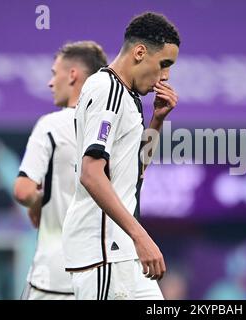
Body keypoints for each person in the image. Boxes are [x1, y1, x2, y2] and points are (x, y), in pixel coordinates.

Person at [62, 12, 180, 300]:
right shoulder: (108, 90)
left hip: (120, 252)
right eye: (164, 64)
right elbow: (91, 173)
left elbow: (135, 170)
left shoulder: (127, 97)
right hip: (104, 252)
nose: (165, 76)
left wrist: (157, 121)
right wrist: (140, 236)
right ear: (140, 52)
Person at [13, 41, 108, 300]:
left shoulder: (51, 126)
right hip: (100, 277)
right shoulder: (111, 129)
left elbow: (23, 191)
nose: (50, 82)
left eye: (55, 73)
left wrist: (36, 201)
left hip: (53, 275)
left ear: (73, 75)